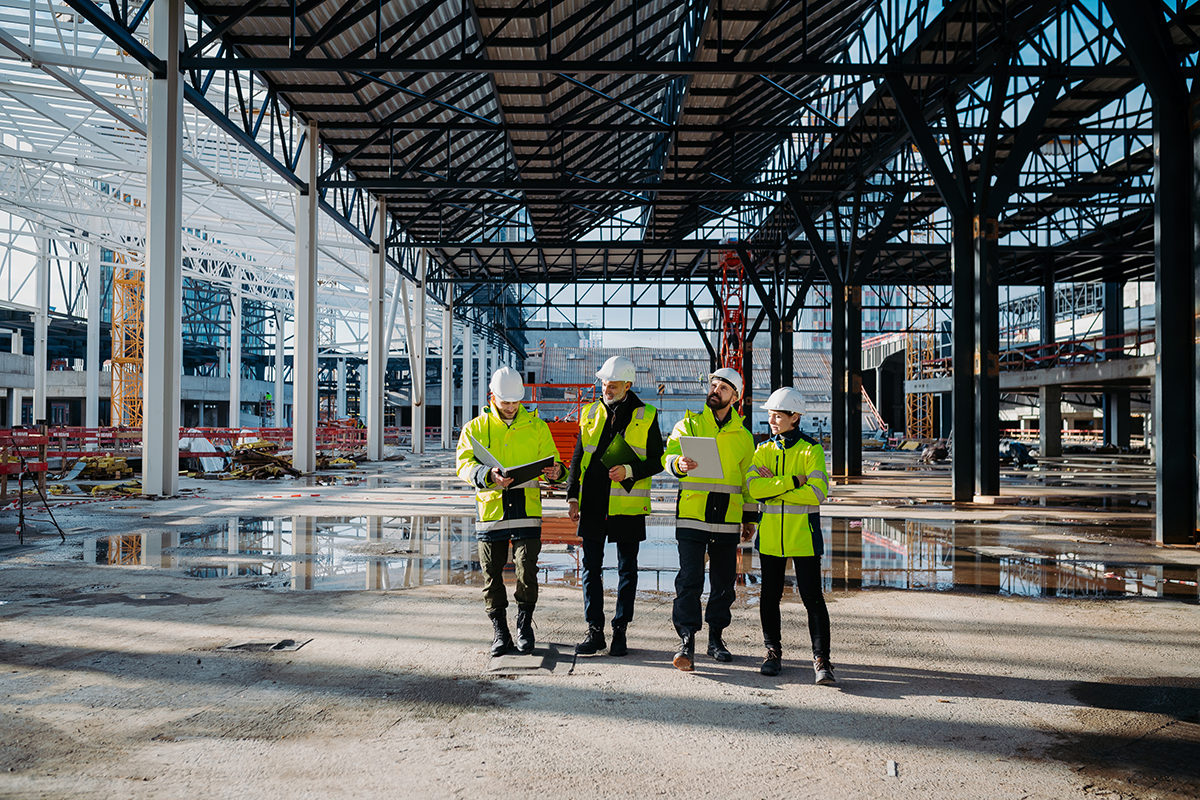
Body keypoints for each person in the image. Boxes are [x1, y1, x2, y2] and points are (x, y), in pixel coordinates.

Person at [456, 367, 566, 658]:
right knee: (491, 575)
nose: (511, 407)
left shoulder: (537, 427)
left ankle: (524, 625)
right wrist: (486, 474)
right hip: (491, 511)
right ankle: (500, 631)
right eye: (506, 402)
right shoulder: (475, 428)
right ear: (493, 396)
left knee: (527, 572)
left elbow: (554, 465)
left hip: (526, 509)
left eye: (515, 402)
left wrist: (557, 471)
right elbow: (463, 464)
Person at [567, 355, 665, 657]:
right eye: (604, 385)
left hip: (627, 505)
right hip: (594, 501)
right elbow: (578, 456)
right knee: (590, 569)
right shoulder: (590, 413)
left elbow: (658, 460)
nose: (606, 390)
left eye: (613, 385)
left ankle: (620, 630)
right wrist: (572, 496)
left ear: (628, 385)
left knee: (627, 570)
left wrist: (629, 471)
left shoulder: (646, 415)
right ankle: (595, 631)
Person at [662, 367, 758, 671]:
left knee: (723, 585)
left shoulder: (743, 437)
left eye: (723, 388)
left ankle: (716, 638)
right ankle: (686, 641)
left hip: (728, 520)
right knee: (689, 581)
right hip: (692, 516)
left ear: (735, 397)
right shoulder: (687, 424)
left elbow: (747, 483)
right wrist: (678, 463)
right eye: (713, 385)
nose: (715, 390)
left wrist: (749, 518)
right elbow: (668, 457)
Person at [746, 387, 835, 685]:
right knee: (769, 597)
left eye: (778, 415)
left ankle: (822, 659)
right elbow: (754, 489)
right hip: (771, 538)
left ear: (794, 417)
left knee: (812, 598)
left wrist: (774, 487)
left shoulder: (812, 450)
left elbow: (818, 492)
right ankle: (772, 652)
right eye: (770, 414)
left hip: (804, 537)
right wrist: (793, 481)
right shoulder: (762, 451)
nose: (772, 419)